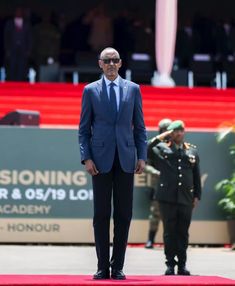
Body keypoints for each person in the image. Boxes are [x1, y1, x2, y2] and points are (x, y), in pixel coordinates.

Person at [79, 47, 147, 280]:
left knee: (124, 214)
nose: (110, 64)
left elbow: (140, 127)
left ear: (120, 63)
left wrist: (142, 156)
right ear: (100, 63)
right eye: (106, 60)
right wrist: (86, 157)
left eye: (115, 60)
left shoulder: (133, 89)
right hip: (99, 161)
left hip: (126, 159)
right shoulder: (90, 91)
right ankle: (102, 267)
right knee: (100, 215)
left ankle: (117, 266)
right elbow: (83, 129)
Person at [151, 120, 201, 276]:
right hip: (167, 198)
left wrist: (197, 195)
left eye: (181, 130)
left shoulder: (192, 151)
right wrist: (161, 137)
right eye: (175, 131)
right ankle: (170, 264)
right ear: (170, 133)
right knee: (169, 231)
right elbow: (145, 147)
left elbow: (196, 175)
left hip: (186, 197)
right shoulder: (161, 148)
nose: (179, 133)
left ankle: (182, 265)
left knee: (183, 232)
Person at [144, 118, 172, 249]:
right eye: (164, 130)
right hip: (158, 183)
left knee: (172, 213)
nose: (166, 132)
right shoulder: (154, 146)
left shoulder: (176, 145)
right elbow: (145, 165)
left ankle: (170, 240)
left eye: (168, 129)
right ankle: (150, 239)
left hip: (174, 184)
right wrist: (156, 173)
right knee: (155, 213)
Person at [4, 8, 32, 81]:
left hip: (23, 49)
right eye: (17, 12)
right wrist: (7, 49)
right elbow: (6, 37)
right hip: (12, 49)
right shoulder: (9, 23)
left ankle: (20, 83)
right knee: (12, 66)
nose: (18, 13)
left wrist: (28, 50)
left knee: (21, 66)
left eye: (20, 12)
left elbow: (29, 38)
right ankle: (11, 82)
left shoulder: (26, 24)